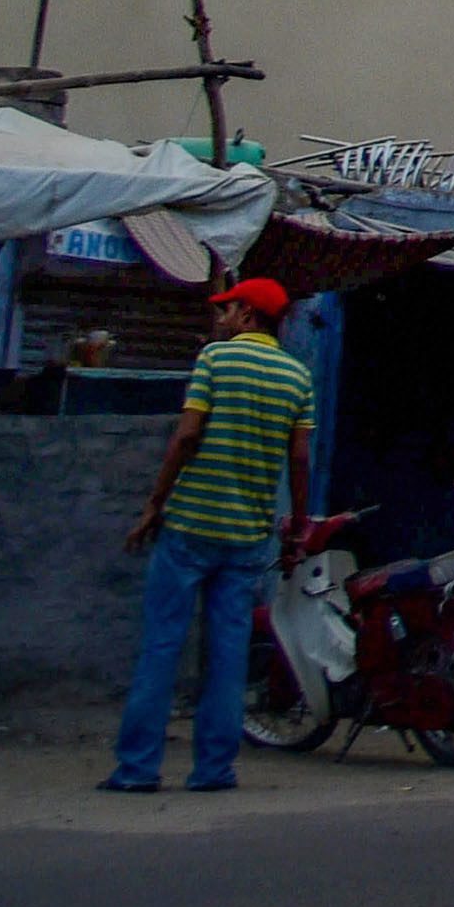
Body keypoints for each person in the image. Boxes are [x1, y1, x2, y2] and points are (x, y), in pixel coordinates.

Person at [105, 277, 317, 793]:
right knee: (228, 657)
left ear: (247, 315)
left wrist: (155, 504)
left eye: (229, 309)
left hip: (189, 528)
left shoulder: (215, 361)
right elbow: (300, 459)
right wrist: (298, 528)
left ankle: (137, 770)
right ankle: (214, 770)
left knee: (162, 646)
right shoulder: (298, 377)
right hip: (247, 535)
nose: (221, 318)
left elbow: (187, 435)